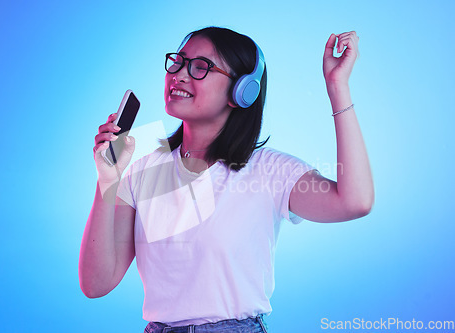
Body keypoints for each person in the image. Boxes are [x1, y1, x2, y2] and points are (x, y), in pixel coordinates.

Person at [79, 27, 374, 333]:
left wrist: (338, 87)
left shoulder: (270, 171)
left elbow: (355, 202)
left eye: (200, 67)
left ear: (241, 92)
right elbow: (96, 283)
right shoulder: (143, 173)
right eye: (178, 62)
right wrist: (107, 181)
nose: (179, 75)